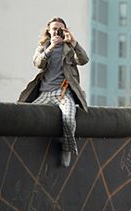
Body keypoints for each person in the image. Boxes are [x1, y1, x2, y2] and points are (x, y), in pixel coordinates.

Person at [18, 16, 89, 167]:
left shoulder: (69, 48)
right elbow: (38, 63)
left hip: (63, 94)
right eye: (54, 29)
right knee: (25, 115)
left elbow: (84, 60)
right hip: (45, 93)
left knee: (69, 120)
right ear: (49, 32)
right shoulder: (43, 47)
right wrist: (50, 48)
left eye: (60, 29)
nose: (57, 31)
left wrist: (74, 42)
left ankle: (67, 149)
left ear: (65, 30)